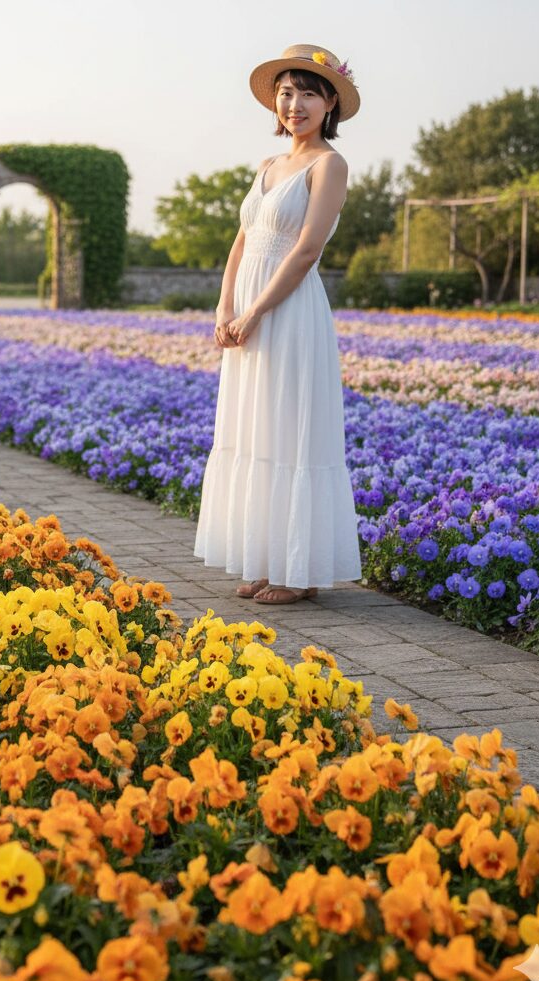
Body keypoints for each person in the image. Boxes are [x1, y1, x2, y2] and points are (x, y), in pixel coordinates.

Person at [193, 44, 363, 606]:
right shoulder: (267, 166)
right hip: (246, 313)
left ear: (330, 102)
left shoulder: (328, 164)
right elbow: (242, 241)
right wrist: (225, 308)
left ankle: (300, 571)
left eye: (309, 93)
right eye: (286, 93)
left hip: (287, 313)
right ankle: (267, 561)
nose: (295, 104)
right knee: (256, 428)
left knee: (290, 429)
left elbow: (308, 248)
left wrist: (256, 310)